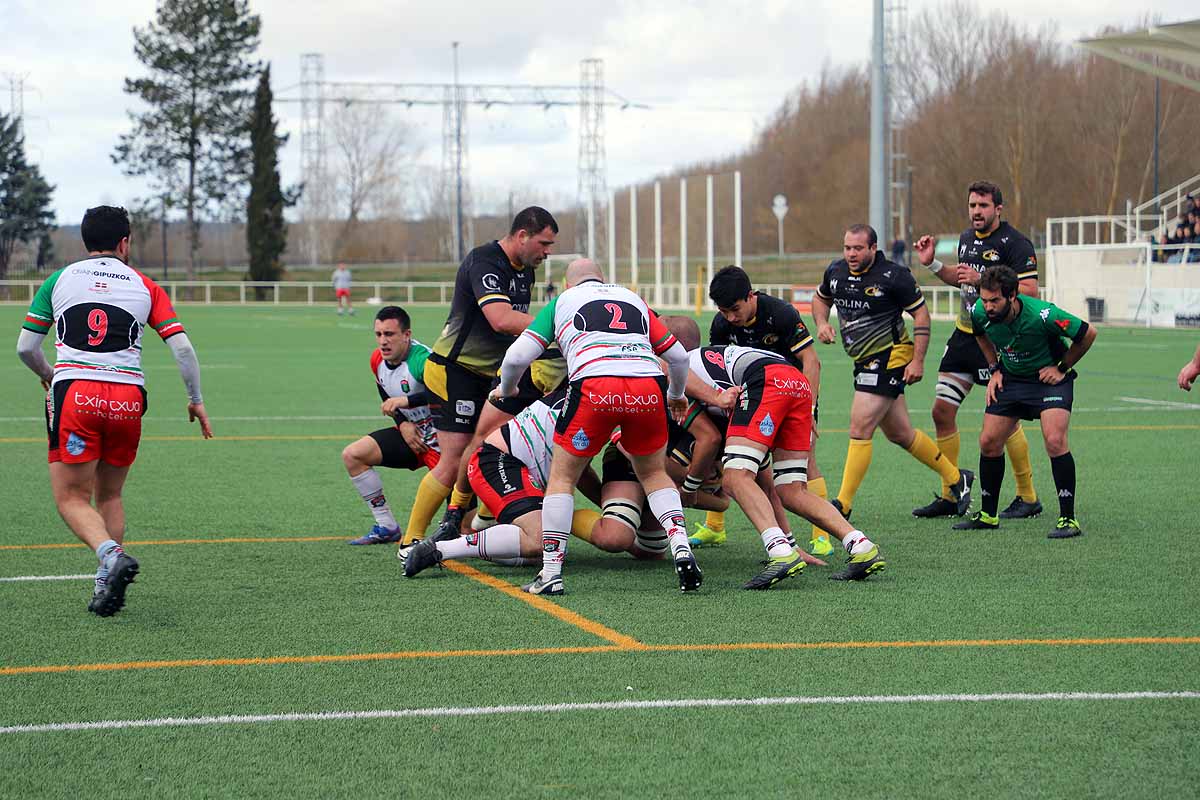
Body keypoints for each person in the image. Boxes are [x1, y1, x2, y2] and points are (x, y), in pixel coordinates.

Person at [15, 205, 213, 617]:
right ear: (125, 242)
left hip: (77, 396)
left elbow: (25, 348)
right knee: (111, 494)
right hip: (128, 399)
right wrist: (195, 398)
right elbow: (183, 349)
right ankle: (105, 587)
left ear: (85, 241)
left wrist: (50, 375)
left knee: (71, 497)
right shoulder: (146, 286)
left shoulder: (59, 280)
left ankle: (109, 554)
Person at [494, 258, 700, 595]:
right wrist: (676, 395)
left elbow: (516, 357)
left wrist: (507, 389)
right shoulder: (632, 298)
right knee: (653, 475)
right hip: (646, 386)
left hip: (595, 386)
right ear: (603, 279)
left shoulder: (563, 301)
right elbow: (678, 357)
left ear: (568, 284)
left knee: (562, 477)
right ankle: (681, 547)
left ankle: (550, 573)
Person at [402, 207, 557, 555]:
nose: (548, 252)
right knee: (455, 458)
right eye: (544, 243)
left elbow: (516, 329)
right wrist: (557, 327)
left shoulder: (526, 273)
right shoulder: (484, 260)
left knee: (493, 446)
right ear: (522, 235)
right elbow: (502, 319)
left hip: (493, 373)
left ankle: (464, 522)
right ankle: (411, 539)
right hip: (455, 370)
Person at [812, 223, 972, 518]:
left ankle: (842, 505)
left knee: (859, 426)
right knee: (901, 434)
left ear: (873, 248)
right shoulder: (835, 272)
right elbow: (821, 298)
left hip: (891, 356)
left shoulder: (894, 276)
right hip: (863, 360)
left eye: (858, 248)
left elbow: (921, 314)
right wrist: (822, 323)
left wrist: (918, 361)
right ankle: (956, 478)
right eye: (847, 248)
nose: (851, 254)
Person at [911, 181, 1042, 520]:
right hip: (965, 334)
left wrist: (982, 275)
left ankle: (1028, 496)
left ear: (999, 208)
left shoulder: (1015, 243)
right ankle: (951, 493)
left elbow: (1030, 289)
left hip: (998, 338)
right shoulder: (967, 239)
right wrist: (934, 265)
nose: (976, 212)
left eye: (983, 206)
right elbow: (964, 278)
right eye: (972, 206)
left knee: (1005, 422)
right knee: (941, 411)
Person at [700, 265, 834, 557]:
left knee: (804, 466)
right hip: (750, 401)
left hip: (791, 399)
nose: (730, 318)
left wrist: (810, 409)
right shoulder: (721, 324)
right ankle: (715, 526)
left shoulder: (781, 314)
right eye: (724, 311)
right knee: (732, 460)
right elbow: (717, 365)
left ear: (750, 296)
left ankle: (821, 537)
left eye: (734, 309)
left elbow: (811, 362)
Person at [954, 266, 1097, 537]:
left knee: (1054, 440)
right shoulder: (980, 313)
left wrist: (1062, 367)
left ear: (1013, 295)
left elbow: (1088, 334)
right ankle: (988, 515)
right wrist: (995, 368)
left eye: (995, 300)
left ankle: (1068, 519)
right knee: (988, 441)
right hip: (1012, 380)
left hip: (1048, 381)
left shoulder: (1044, 315)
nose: (988, 307)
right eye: (985, 300)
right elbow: (980, 335)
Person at [341, 306, 440, 545]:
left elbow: (445, 394)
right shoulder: (377, 360)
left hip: (443, 442)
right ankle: (387, 526)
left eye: (390, 334)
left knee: (466, 525)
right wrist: (403, 423)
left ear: (407, 335)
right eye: (379, 334)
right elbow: (384, 390)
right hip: (411, 435)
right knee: (353, 455)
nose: (383, 341)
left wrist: (406, 401)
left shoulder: (423, 361)